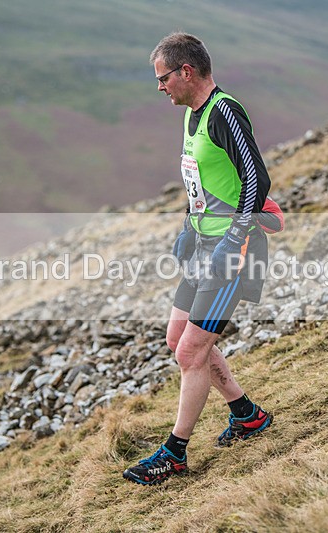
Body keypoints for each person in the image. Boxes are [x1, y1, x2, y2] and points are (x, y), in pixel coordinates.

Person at [123, 32, 277, 486]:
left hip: (233, 251)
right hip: (204, 246)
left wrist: (234, 237)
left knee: (192, 350)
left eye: (163, 77)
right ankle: (246, 415)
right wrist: (189, 226)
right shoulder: (193, 116)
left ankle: (175, 453)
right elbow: (205, 184)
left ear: (185, 72)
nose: (160, 86)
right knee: (178, 339)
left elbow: (256, 178)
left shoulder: (224, 111)